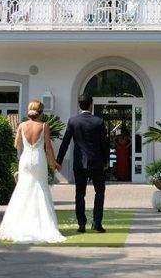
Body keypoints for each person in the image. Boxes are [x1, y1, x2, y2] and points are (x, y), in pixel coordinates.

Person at [0, 100, 66, 243]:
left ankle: (18, 225)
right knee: (41, 189)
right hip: (39, 160)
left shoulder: (21, 125)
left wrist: (19, 161)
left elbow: (17, 145)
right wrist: (54, 164)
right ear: (41, 111)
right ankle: (42, 225)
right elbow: (48, 148)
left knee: (23, 190)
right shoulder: (44, 126)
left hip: (25, 160)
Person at [56, 95, 110, 233]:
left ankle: (81, 224)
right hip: (96, 162)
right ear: (91, 104)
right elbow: (104, 143)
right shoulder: (98, 121)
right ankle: (97, 223)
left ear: (79, 105)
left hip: (79, 163)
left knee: (80, 194)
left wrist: (59, 161)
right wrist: (106, 161)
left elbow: (65, 142)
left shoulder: (73, 121)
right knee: (100, 192)